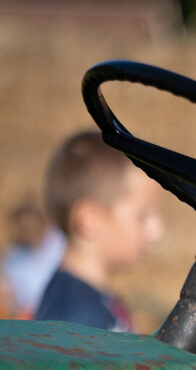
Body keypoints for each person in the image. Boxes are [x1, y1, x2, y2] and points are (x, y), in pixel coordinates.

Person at [35, 131, 164, 333]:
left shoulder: (97, 301)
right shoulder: (77, 321)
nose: (157, 231)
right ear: (90, 219)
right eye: (142, 215)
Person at [0, 200, 66, 318]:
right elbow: (8, 297)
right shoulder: (13, 259)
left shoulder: (60, 241)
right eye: (24, 228)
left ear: (43, 222)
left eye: (33, 225)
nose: (30, 231)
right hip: (33, 318)